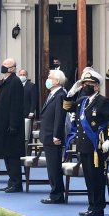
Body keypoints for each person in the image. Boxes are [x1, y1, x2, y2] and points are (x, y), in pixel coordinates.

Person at [63, 69, 109, 216]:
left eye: (89, 83)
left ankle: (98, 206)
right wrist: (71, 93)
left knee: (96, 177)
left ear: (96, 86)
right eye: (84, 83)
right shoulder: (82, 101)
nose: (85, 86)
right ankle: (91, 204)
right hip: (83, 145)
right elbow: (66, 107)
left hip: (96, 146)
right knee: (88, 177)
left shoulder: (102, 101)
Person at [0, 58, 25, 193]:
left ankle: (16, 183)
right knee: (6, 154)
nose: (3, 66)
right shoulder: (5, 81)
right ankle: (11, 181)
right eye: (3, 64)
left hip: (11, 126)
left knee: (12, 155)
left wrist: (13, 125)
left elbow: (15, 105)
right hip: (3, 124)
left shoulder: (15, 82)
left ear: (12, 68)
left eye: (6, 65)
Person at [39, 69, 67, 204]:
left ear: (57, 81)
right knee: (51, 166)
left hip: (53, 136)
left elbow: (59, 117)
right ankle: (55, 191)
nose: (48, 79)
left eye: (50, 77)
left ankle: (57, 194)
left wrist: (56, 135)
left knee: (54, 166)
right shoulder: (52, 94)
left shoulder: (60, 95)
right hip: (47, 135)